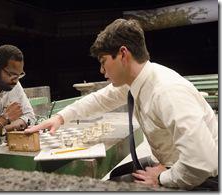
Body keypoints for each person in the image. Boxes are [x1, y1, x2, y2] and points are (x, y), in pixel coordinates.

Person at [25, 19, 218, 190]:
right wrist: (60, 118)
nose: (101, 70)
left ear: (123, 54)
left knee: (109, 187)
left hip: (205, 177)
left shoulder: (166, 91)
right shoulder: (138, 80)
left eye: (103, 61)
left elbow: (201, 163)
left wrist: (161, 177)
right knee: (119, 174)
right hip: (173, 161)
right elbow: (99, 99)